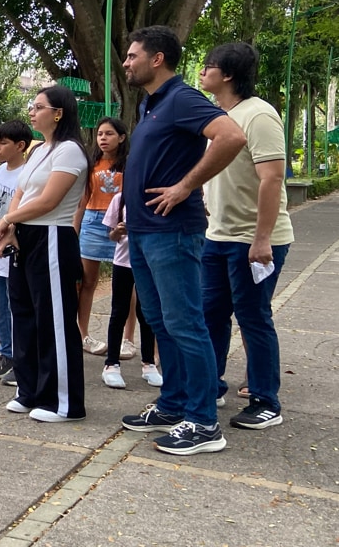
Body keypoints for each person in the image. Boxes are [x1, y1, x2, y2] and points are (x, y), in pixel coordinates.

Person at [119, 25, 246, 455]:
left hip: (172, 234)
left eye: (133, 55)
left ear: (157, 59)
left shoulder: (182, 98)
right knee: (162, 322)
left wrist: (185, 187)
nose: (126, 62)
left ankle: (204, 422)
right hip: (144, 232)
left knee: (187, 324)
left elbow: (231, 137)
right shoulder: (151, 106)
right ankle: (174, 404)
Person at [199, 42, 294, 429]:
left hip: (253, 240)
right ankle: (210, 386)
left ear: (229, 74)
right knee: (211, 316)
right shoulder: (218, 116)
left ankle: (265, 400)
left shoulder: (259, 115)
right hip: (216, 236)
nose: (202, 71)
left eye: (209, 66)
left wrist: (261, 239)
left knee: (254, 317)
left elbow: (271, 177)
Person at [0, 85, 91, 423]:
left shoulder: (70, 151)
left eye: (39, 107)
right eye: (32, 107)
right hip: (27, 236)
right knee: (25, 314)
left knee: (54, 321)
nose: (32, 112)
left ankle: (64, 402)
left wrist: (6, 219)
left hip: (52, 235)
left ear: (58, 112)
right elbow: (20, 192)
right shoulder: (38, 151)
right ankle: (30, 390)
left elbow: (49, 201)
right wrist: (12, 229)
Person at [73, 117, 129, 356]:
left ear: (122, 137)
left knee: (128, 284)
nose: (103, 139)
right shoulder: (91, 163)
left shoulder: (130, 163)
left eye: (109, 134)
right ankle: (82, 334)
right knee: (87, 282)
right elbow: (82, 200)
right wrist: (73, 232)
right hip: (93, 222)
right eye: (100, 134)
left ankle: (128, 339)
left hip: (123, 222)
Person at [0, 119, 33, 384]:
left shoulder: (28, 173)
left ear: (20, 145)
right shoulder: (1, 170)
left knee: (18, 308)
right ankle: (7, 354)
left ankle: (23, 360)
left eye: (3, 143)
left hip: (15, 250)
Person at [100, 190, 162, 389]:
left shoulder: (156, 198)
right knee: (119, 311)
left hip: (149, 262)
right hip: (123, 262)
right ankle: (111, 364)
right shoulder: (121, 199)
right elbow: (111, 235)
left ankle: (149, 363)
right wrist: (117, 231)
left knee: (147, 313)